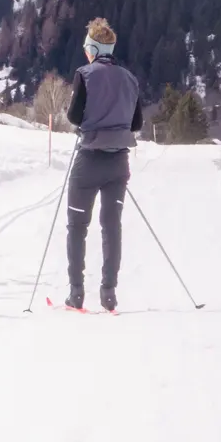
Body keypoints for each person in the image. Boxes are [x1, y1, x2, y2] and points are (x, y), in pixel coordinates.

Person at [63, 17, 142, 312]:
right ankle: (108, 293)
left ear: (92, 49)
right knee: (111, 227)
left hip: (88, 162)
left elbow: (73, 116)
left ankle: (76, 293)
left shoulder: (85, 74)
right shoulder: (130, 78)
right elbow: (136, 122)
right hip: (118, 163)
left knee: (77, 227)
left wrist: (90, 120)